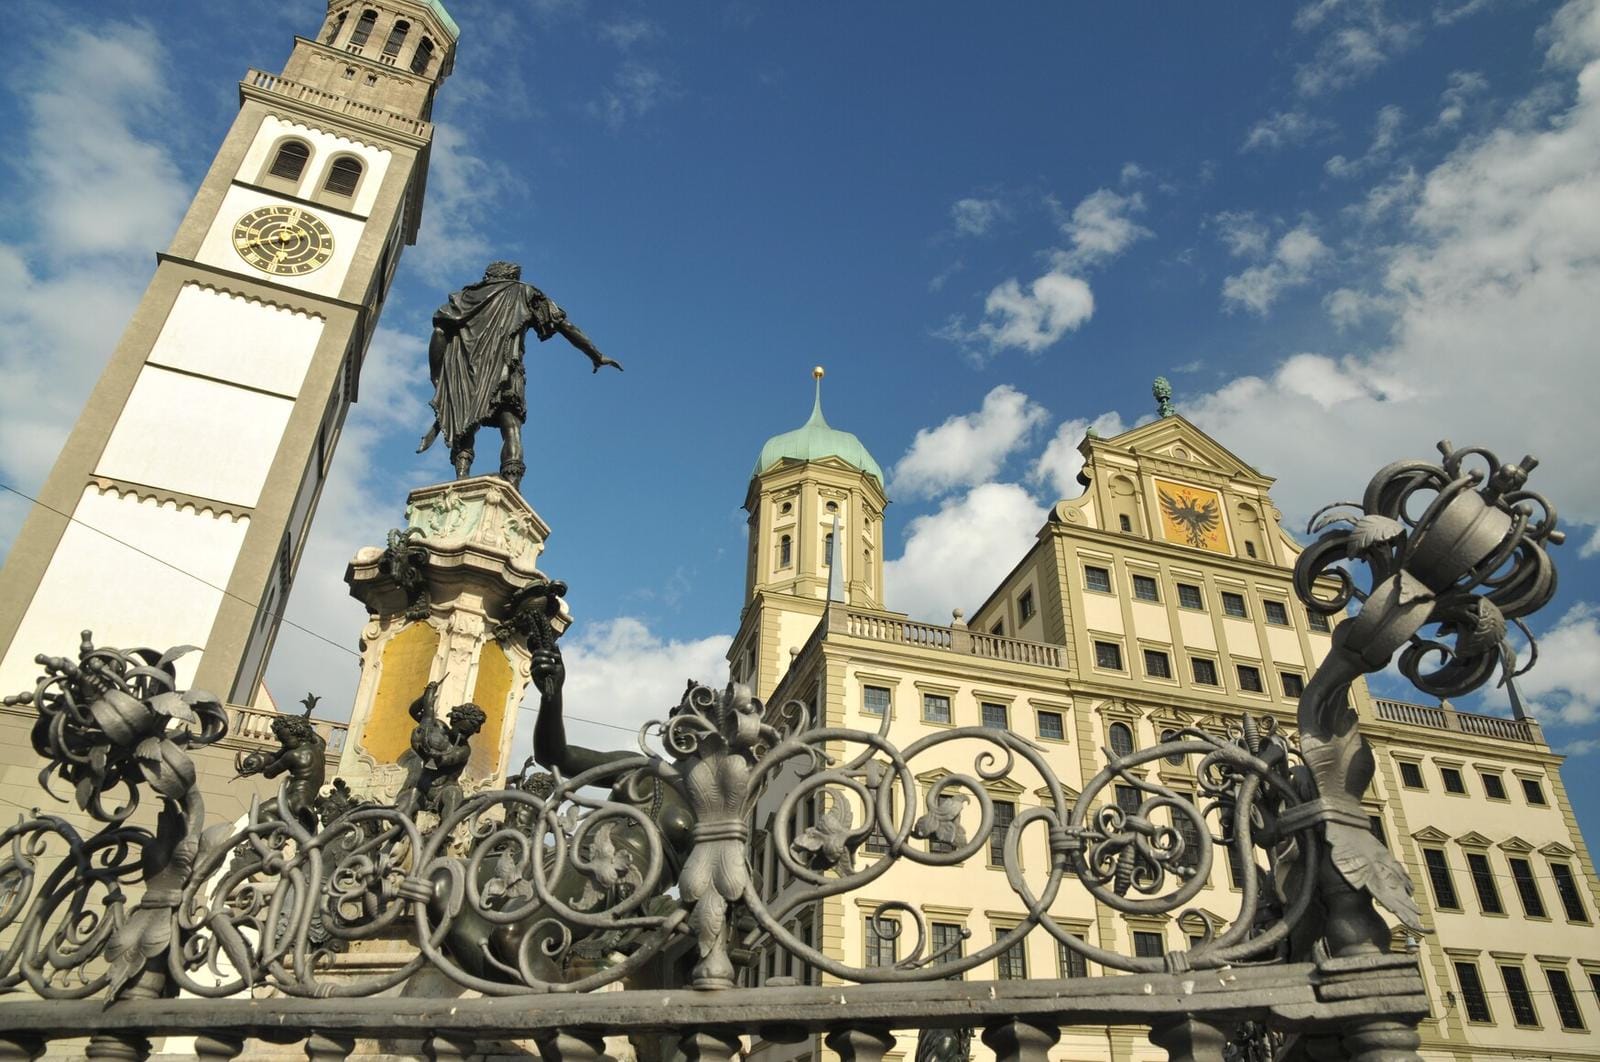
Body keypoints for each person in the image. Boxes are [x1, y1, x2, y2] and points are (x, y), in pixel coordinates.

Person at [418, 261, 622, 490]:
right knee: (511, 425)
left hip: (465, 370)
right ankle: (512, 485)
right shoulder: (524, 292)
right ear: (513, 276)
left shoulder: (463, 297)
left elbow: (439, 333)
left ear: (487, 275)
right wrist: (596, 355)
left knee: (465, 423)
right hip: (505, 370)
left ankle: (461, 478)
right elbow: (564, 325)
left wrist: (437, 375)